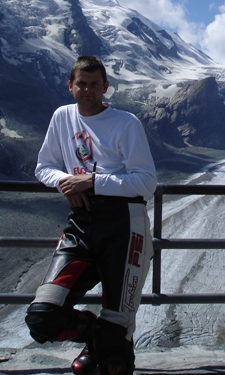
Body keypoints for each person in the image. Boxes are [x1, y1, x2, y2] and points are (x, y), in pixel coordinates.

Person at [25, 55, 157, 375]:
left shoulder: (126, 123)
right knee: (43, 317)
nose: (87, 90)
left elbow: (146, 181)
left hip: (125, 226)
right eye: (81, 83)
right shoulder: (62, 117)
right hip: (81, 225)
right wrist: (68, 185)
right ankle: (95, 333)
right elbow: (44, 166)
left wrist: (94, 181)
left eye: (94, 84)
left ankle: (108, 344)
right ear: (70, 86)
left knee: (115, 359)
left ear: (106, 88)